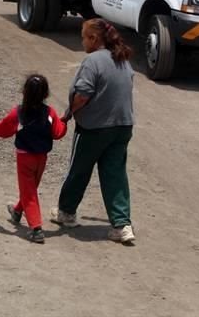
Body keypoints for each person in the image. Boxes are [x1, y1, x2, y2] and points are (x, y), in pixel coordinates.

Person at [52, 18, 137, 244]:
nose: (82, 41)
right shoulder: (122, 59)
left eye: (83, 37)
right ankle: (122, 225)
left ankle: (66, 213)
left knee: (79, 170)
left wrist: (69, 112)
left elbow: (83, 93)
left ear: (94, 38)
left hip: (94, 128)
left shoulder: (93, 61)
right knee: (115, 174)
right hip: (123, 126)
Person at [0, 74, 68, 244]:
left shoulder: (18, 113)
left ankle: (36, 229)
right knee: (30, 188)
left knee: (29, 191)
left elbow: (3, 129)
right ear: (45, 94)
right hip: (42, 158)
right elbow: (58, 133)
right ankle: (17, 211)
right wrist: (64, 121)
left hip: (25, 158)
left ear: (24, 91)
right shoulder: (50, 113)